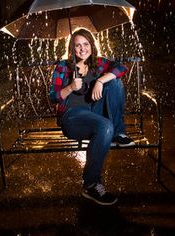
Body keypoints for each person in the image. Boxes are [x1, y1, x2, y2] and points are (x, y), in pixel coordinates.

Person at [50, 28, 135, 206]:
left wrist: (100, 80)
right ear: (72, 49)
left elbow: (121, 67)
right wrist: (71, 87)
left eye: (86, 44)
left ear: (91, 45)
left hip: (94, 114)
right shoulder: (63, 67)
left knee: (115, 81)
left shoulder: (98, 64)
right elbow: (53, 97)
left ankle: (118, 133)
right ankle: (91, 184)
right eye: (77, 45)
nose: (82, 49)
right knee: (104, 126)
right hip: (72, 117)